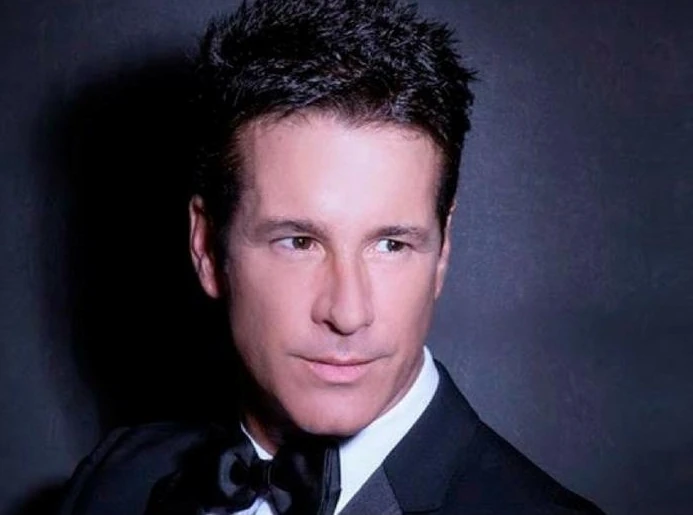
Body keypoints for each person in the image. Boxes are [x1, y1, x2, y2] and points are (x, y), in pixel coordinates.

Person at [59, 0, 605, 514]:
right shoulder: (114, 482)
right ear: (205, 247)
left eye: (391, 245)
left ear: (443, 250)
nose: (348, 313)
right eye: (299, 242)